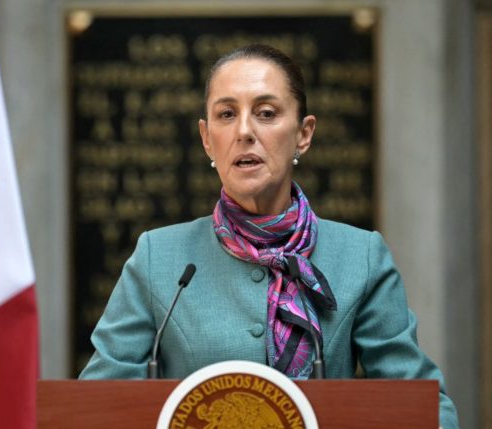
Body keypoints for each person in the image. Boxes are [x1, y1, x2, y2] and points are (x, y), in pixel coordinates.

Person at [79, 44, 459, 428]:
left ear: (304, 134)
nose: (244, 131)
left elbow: (425, 409)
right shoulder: (158, 257)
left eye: (266, 113)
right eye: (226, 115)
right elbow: (93, 407)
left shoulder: (361, 256)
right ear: (207, 138)